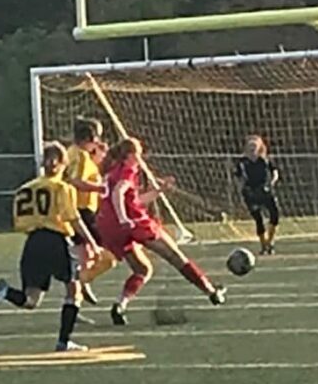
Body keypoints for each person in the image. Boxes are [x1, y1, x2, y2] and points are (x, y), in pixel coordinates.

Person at [96, 138, 227, 325]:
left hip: (109, 228)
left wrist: (159, 191)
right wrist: (124, 217)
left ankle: (120, 305)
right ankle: (211, 292)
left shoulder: (112, 171)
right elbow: (118, 193)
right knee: (175, 256)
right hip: (132, 222)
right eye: (139, 154)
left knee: (142, 269)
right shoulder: (128, 169)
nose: (141, 158)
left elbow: (134, 201)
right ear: (131, 155)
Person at [0, 142, 99, 351]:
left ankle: (6, 292)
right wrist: (92, 243)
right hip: (55, 240)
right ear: (63, 163)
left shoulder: (25, 188)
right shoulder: (62, 187)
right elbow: (73, 218)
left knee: (31, 300)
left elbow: (20, 220)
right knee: (74, 290)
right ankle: (64, 341)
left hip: (33, 242)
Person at [65, 119, 117, 305]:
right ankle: (80, 282)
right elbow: (74, 180)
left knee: (85, 256)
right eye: (96, 137)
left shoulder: (79, 154)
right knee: (109, 253)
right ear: (89, 137)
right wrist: (98, 188)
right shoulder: (79, 155)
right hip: (81, 210)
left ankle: (75, 299)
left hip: (83, 209)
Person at [235, 135, 280, 255]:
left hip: (265, 190)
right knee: (258, 219)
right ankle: (263, 245)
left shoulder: (265, 160)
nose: (252, 148)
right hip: (251, 193)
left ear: (260, 147)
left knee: (275, 215)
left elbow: (275, 172)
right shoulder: (242, 162)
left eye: (254, 145)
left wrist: (272, 183)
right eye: (250, 145)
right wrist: (242, 192)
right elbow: (239, 178)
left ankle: (270, 241)